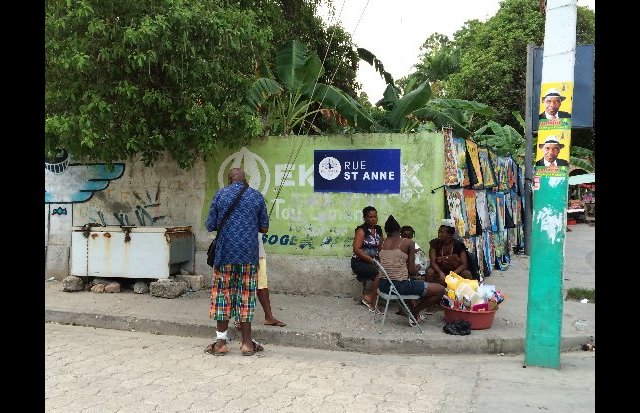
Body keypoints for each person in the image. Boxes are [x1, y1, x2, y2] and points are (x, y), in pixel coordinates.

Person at [204, 168, 269, 356]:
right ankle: (247, 344)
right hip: (249, 256)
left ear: (229, 179)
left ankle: (221, 343)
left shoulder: (220, 195)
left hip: (224, 256)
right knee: (246, 297)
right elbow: (264, 227)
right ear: (245, 180)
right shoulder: (256, 196)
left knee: (222, 297)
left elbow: (210, 225)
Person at [379, 215, 445, 325]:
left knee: (409, 281)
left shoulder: (381, 242)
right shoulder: (408, 243)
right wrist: (419, 266)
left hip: (383, 285)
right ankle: (414, 312)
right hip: (398, 286)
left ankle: (410, 311)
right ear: (399, 230)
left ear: (386, 231)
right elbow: (412, 271)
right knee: (440, 290)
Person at [351, 206, 383, 312]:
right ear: (365, 218)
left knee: (387, 270)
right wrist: (371, 260)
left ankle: (370, 296)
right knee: (378, 273)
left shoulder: (378, 229)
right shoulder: (361, 230)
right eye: (370, 217)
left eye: (375, 216)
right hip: (359, 262)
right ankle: (371, 300)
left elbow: (380, 247)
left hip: (374, 261)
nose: (373, 219)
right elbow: (356, 249)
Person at [425, 219, 472, 286]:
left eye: (442, 233)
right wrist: (440, 272)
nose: (439, 234)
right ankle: (430, 290)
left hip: (455, 271)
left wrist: (452, 274)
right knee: (430, 272)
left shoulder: (459, 245)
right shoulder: (435, 243)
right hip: (440, 270)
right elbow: (433, 262)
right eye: (439, 232)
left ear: (449, 235)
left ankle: (464, 291)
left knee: (466, 274)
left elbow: (464, 264)